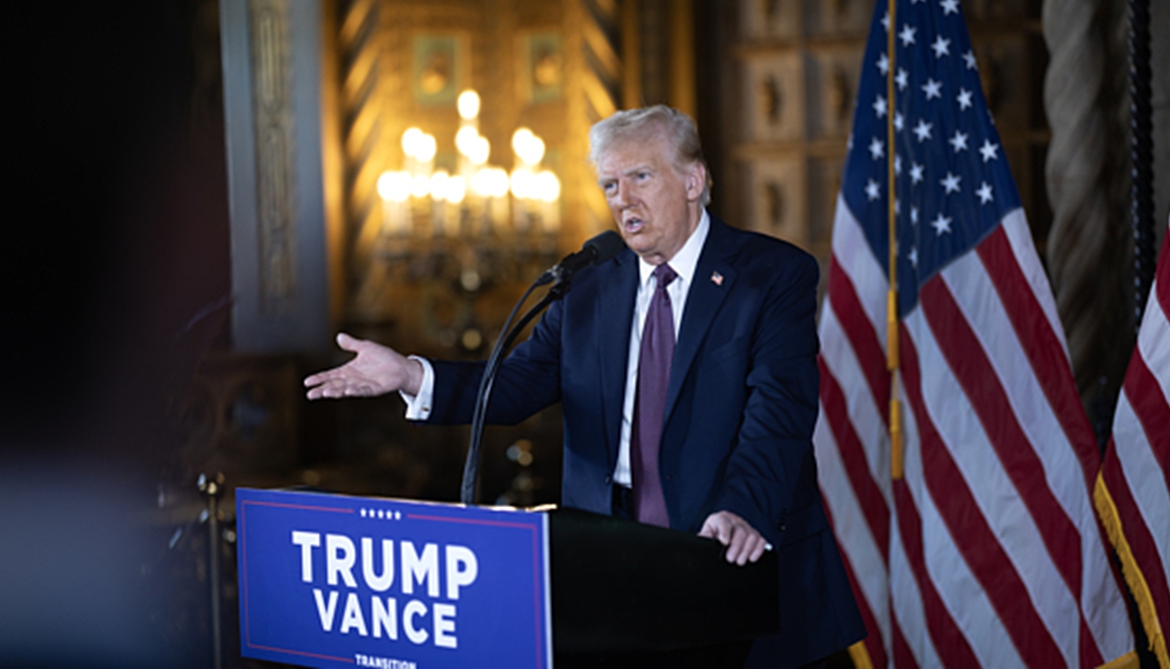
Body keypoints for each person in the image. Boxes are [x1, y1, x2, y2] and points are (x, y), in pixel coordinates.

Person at [304, 106, 865, 668]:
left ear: (693, 181)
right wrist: (409, 374)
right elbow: (518, 383)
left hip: (734, 555)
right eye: (609, 184)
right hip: (614, 567)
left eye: (641, 177)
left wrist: (745, 507)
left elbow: (780, 409)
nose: (623, 199)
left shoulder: (770, 274)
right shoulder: (587, 282)